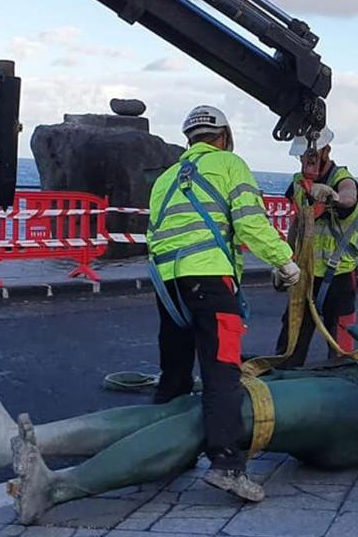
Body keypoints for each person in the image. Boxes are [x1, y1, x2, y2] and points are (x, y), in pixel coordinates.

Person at [0, 326, 358, 525]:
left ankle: (58, 488)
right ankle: (14, 443)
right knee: (194, 409)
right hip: (350, 382)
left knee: (230, 417)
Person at [146, 105, 301, 502]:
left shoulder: (166, 178)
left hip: (169, 286)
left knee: (175, 372)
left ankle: (162, 452)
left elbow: (155, 234)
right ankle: (227, 465)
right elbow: (250, 221)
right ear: (224, 136)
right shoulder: (229, 164)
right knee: (222, 371)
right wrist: (284, 260)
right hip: (211, 283)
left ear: (189, 140)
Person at [273, 127, 358, 366]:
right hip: (305, 276)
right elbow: (297, 221)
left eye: (310, 155)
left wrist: (332, 196)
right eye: (302, 155)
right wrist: (284, 261)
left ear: (326, 151)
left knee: (342, 351)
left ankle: (344, 386)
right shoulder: (298, 184)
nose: (305, 160)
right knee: (290, 346)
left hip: (338, 277)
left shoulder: (342, 179)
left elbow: (349, 197)